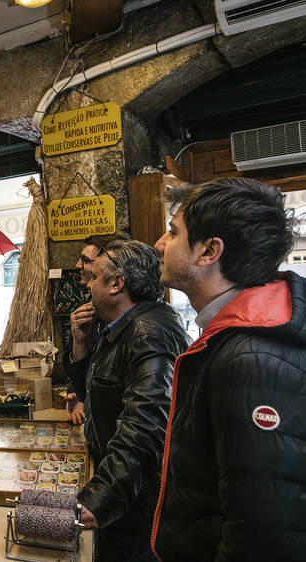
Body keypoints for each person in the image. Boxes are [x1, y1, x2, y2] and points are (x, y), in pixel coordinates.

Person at [151, 178, 305, 562]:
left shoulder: (249, 359)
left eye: (173, 232)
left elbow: (262, 534)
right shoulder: (238, 335)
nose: (159, 244)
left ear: (208, 251)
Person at [65, 239, 189, 562]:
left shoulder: (148, 333)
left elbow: (144, 429)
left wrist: (98, 500)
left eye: (94, 277)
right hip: (122, 494)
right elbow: (98, 394)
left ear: (117, 284)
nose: (88, 285)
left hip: (135, 507)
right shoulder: (119, 327)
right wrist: (80, 347)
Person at [65, 234, 121, 424]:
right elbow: (86, 366)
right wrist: (75, 391)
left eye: (85, 261)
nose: (77, 265)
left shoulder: (127, 322)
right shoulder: (88, 309)